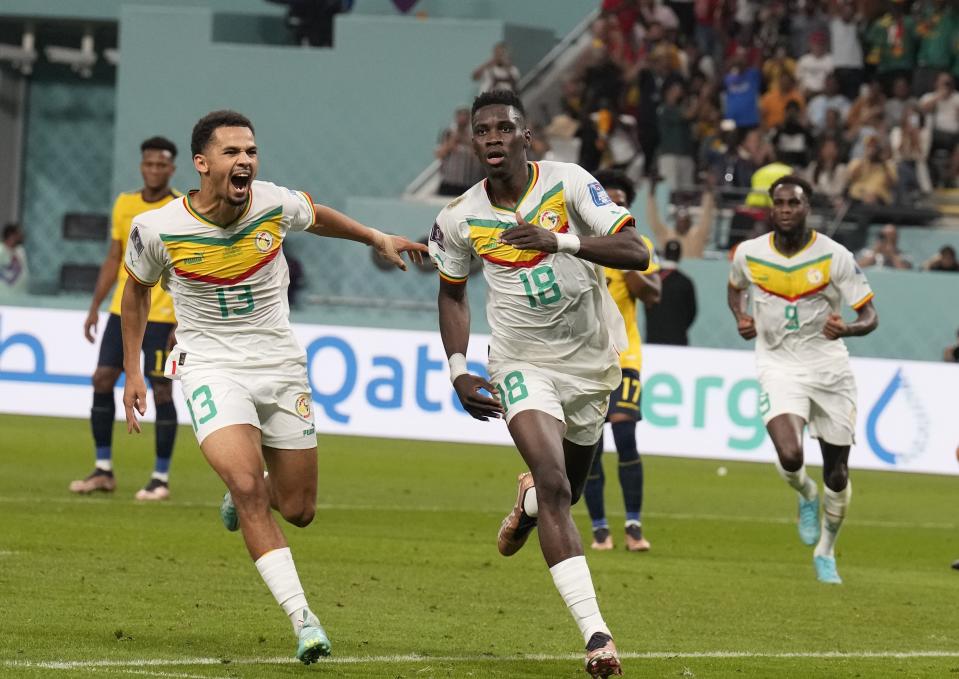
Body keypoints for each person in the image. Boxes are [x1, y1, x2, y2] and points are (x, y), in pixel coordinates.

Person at [120, 110, 426, 664]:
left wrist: (375, 237)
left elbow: (319, 216)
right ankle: (303, 619)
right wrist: (136, 370)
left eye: (251, 152)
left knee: (299, 508)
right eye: (233, 152)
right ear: (202, 163)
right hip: (210, 365)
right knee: (246, 487)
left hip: (280, 365)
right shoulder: (158, 228)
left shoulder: (272, 202)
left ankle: (254, 485)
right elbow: (136, 293)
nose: (245, 162)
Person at [429, 90, 650, 677]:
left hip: (591, 365)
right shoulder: (459, 218)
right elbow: (451, 293)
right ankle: (596, 635)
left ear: (526, 136)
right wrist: (458, 367)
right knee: (556, 484)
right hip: (520, 364)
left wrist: (561, 240)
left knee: (563, 493)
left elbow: (637, 250)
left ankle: (526, 504)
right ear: (473, 142)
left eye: (505, 127)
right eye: (484, 130)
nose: (494, 137)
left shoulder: (569, 183)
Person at [728, 175, 879, 584]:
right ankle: (805, 495)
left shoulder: (835, 257)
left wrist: (845, 328)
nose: (786, 209)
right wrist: (742, 317)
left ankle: (826, 550)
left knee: (837, 474)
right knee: (791, 455)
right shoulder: (750, 253)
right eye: (779, 202)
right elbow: (734, 289)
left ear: (807, 206)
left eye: (794, 202)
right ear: (771, 207)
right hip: (778, 364)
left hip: (829, 369)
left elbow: (870, 316)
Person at [71, 136, 181, 500]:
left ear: (172, 168)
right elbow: (114, 257)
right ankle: (103, 470)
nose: (154, 170)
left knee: (162, 390)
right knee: (102, 378)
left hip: (164, 318)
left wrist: (184, 321)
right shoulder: (125, 204)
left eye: (161, 164)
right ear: (141, 166)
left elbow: (185, 269)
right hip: (123, 312)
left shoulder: (180, 208)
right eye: (149, 163)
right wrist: (94, 306)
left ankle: (160, 477)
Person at [583, 170, 662, 553]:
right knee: (590, 444)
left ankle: (633, 525)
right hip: (583, 361)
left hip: (625, 356)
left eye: (619, 201)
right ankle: (600, 529)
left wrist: (630, 267)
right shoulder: (580, 244)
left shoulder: (640, 246)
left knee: (625, 433)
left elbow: (654, 295)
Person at [646, 174, 715, 258]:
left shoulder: (698, 235)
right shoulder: (667, 235)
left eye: (685, 220)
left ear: (689, 222)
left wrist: (708, 193)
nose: (682, 223)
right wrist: (652, 194)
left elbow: (706, 217)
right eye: (680, 220)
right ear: (676, 221)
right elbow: (654, 221)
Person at [645, 239, 697, 345]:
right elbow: (692, 312)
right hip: (678, 340)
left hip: (653, 339)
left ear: (664, 254)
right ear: (679, 256)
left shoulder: (651, 279)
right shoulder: (686, 282)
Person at [436, 106, 485, 196]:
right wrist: (452, 142)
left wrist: (466, 140)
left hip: (468, 183)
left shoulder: (475, 135)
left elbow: (480, 157)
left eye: (465, 115)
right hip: (449, 182)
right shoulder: (448, 133)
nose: (462, 119)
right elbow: (439, 154)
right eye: (460, 115)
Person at [0, 223, 28, 296]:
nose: (22, 236)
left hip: (20, 295)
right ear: (11, 235)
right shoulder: (1, 250)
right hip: (3, 296)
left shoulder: (20, 250)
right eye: (19, 233)